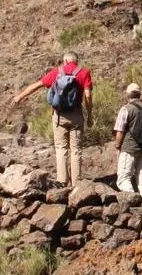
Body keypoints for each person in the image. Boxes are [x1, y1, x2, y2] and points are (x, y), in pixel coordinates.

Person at [6, 51, 93, 187]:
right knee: (76, 150)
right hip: (76, 115)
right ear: (76, 61)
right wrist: (90, 114)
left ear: (64, 61)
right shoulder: (84, 73)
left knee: (61, 148)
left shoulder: (56, 72)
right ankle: (77, 184)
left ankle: (62, 183)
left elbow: (37, 85)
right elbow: (88, 96)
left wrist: (20, 96)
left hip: (59, 116)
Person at [113, 83, 142, 200]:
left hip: (129, 148)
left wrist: (118, 146)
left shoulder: (126, 109)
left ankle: (133, 200)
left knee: (123, 177)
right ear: (139, 94)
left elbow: (120, 130)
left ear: (128, 94)